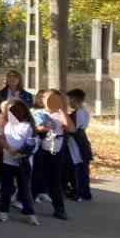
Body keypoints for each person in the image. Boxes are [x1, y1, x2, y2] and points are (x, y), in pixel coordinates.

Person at [0, 100, 41, 226]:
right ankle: (3, 211)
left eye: (15, 111)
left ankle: (30, 213)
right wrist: (8, 148)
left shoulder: (28, 126)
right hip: (7, 162)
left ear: (23, 112)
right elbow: (1, 138)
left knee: (25, 189)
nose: (12, 114)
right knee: (6, 188)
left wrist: (18, 153)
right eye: (9, 111)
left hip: (23, 163)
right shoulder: (6, 124)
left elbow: (31, 144)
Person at [34, 90, 72, 220]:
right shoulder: (38, 113)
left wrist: (62, 110)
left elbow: (71, 128)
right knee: (36, 177)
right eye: (49, 98)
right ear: (43, 100)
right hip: (41, 149)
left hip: (57, 150)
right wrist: (43, 127)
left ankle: (59, 209)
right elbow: (36, 127)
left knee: (55, 181)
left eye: (56, 98)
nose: (52, 101)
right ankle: (27, 205)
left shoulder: (61, 114)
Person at [66, 89, 93, 201]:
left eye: (70, 99)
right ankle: (84, 192)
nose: (69, 102)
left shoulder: (79, 113)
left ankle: (79, 193)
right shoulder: (83, 112)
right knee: (82, 168)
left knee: (79, 167)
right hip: (80, 141)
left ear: (75, 99)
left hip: (77, 142)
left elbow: (73, 129)